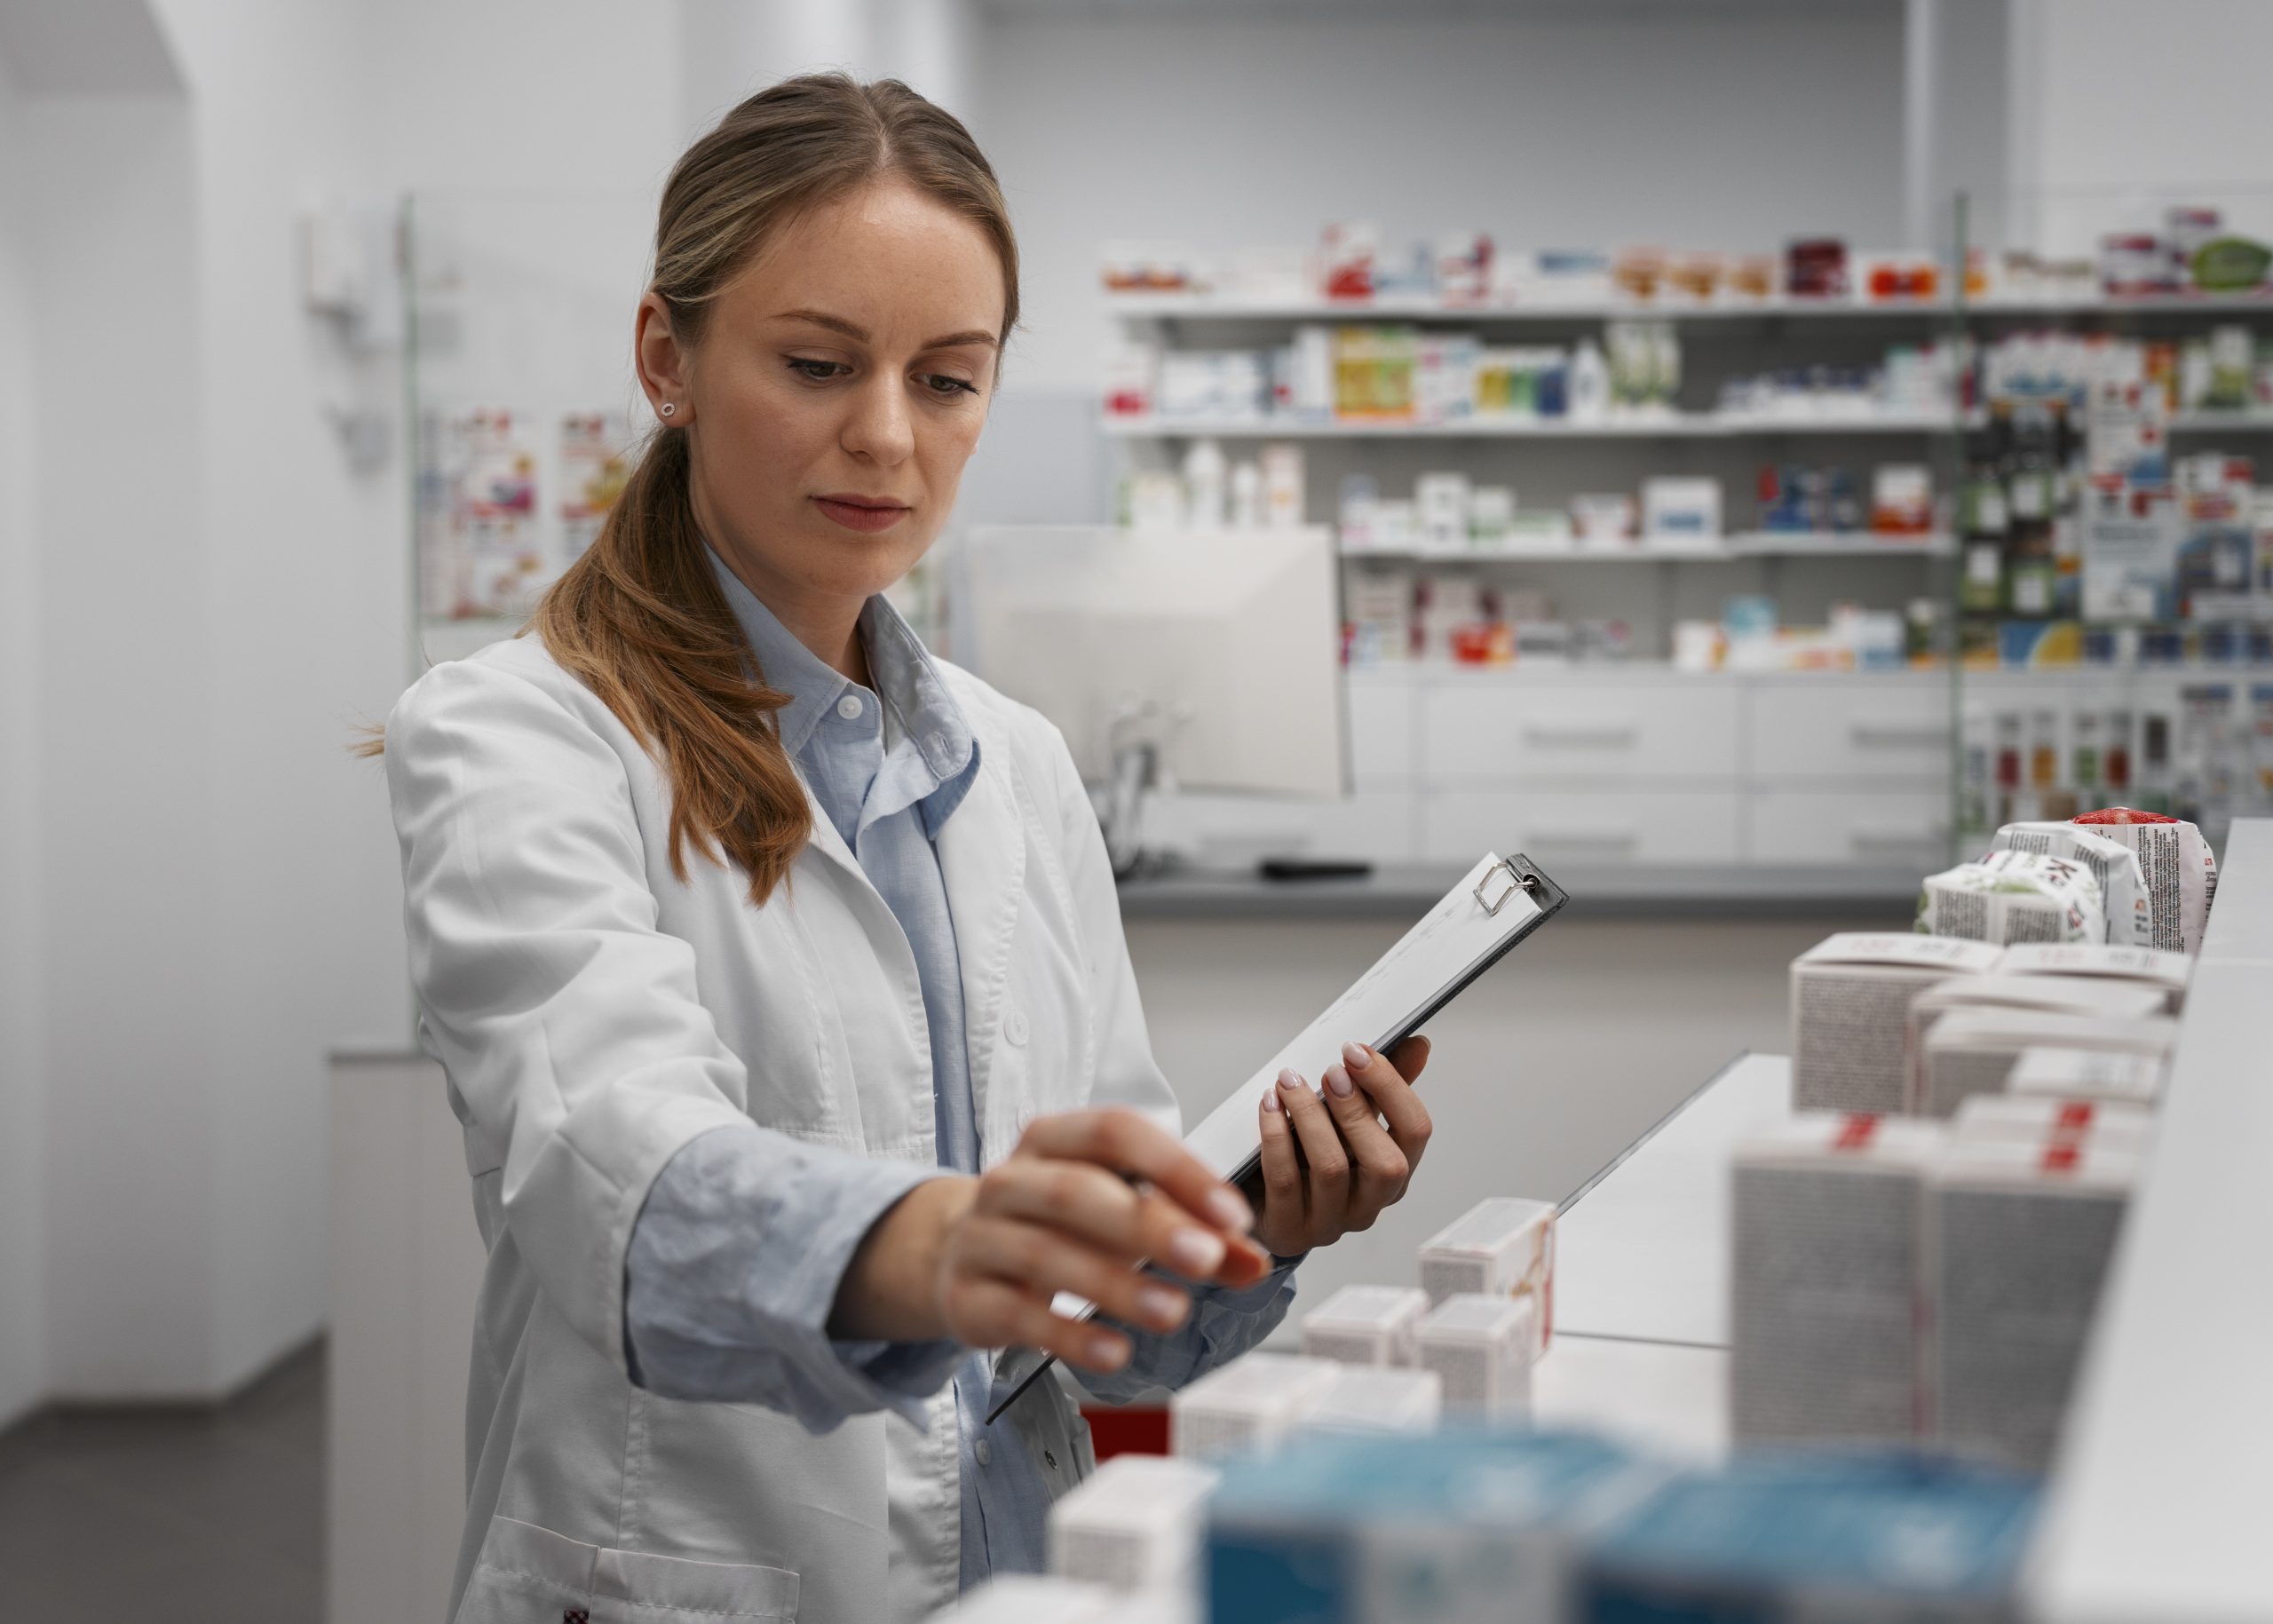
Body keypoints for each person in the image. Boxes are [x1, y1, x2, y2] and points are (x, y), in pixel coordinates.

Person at [379, 73, 1436, 1624]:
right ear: (667, 356)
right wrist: (944, 1243)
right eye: (817, 363)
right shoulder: (513, 735)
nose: (885, 435)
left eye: (948, 380)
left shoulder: (1013, 764)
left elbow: (1096, 1323)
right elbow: (620, 1181)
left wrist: (1252, 1219)